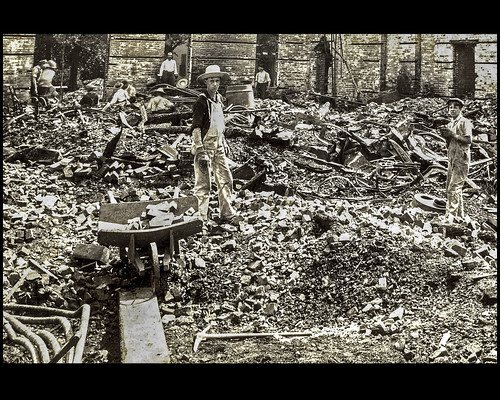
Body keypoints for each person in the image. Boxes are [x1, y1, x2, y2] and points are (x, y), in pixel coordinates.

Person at [190, 65, 237, 225]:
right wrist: (200, 149)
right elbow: (196, 128)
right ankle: (200, 219)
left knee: (226, 178)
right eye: (211, 81)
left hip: (218, 146)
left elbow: (219, 125)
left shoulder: (219, 100)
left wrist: (223, 141)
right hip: (204, 146)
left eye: (217, 81)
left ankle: (227, 213)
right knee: (203, 184)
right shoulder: (201, 102)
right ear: (205, 82)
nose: (215, 84)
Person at [438, 98, 472, 224]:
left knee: (454, 188)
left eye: (455, 107)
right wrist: (446, 137)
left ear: (460, 109)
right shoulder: (451, 123)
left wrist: (452, 135)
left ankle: (449, 218)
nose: (452, 109)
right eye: (450, 107)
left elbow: (468, 140)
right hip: (452, 158)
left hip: (461, 159)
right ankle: (460, 216)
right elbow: (450, 142)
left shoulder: (464, 122)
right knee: (453, 187)